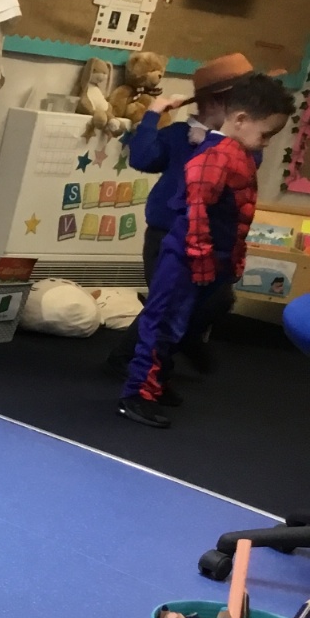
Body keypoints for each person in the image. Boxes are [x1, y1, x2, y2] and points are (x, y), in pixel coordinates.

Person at [119, 72, 293, 428]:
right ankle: (137, 394)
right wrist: (199, 260)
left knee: (179, 325)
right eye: (265, 134)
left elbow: (236, 215)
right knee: (162, 323)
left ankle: (156, 382)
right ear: (240, 119)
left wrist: (231, 259)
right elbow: (195, 214)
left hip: (209, 258)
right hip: (185, 257)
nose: (266, 143)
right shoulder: (213, 158)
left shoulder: (237, 153)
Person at [107, 53, 254, 390]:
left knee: (218, 299)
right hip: (167, 232)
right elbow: (142, 157)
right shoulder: (179, 135)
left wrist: (219, 142)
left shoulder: (238, 146)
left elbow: (248, 167)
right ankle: (127, 361)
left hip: (210, 236)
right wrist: (154, 114)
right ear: (216, 104)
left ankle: (182, 342)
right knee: (166, 301)